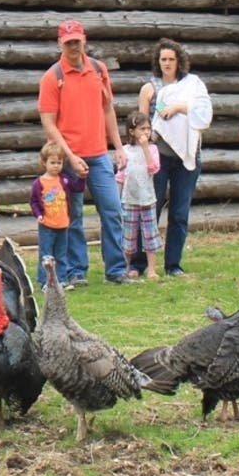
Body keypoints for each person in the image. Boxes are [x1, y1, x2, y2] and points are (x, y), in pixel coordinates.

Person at [37, 20, 129, 286]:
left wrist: (119, 146)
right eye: (68, 43)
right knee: (73, 216)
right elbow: (48, 123)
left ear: (84, 40)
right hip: (67, 158)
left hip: (99, 154)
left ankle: (116, 270)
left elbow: (108, 109)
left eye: (76, 41)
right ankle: (78, 271)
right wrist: (71, 156)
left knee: (112, 209)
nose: (73, 46)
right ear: (60, 44)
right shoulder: (52, 77)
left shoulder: (98, 70)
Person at [131, 39, 212, 277]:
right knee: (149, 209)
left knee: (179, 212)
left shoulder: (192, 86)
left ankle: (173, 264)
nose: (166, 63)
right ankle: (140, 262)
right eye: (163, 59)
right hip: (159, 156)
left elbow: (203, 113)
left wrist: (179, 107)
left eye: (171, 59)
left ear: (179, 62)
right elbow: (141, 124)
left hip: (186, 156)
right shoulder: (150, 88)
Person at [29, 141, 85, 291]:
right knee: (46, 254)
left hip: (63, 224)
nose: (56, 166)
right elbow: (34, 201)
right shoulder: (39, 183)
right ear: (44, 162)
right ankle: (45, 282)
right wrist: (38, 214)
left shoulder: (64, 180)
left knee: (61, 254)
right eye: (52, 162)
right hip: (47, 224)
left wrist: (81, 177)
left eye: (59, 163)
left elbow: (78, 188)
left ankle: (61, 280)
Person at [117, 111, 162, 279]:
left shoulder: (153, 149)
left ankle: (151, 269)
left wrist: (145, 148)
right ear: (131, 131)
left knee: (150, 234)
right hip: (129, 200)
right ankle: (126, 267)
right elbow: (120, 176)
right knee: (128, 235)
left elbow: (154, 168)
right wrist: (117, 198)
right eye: (142, 129)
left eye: (148, 129)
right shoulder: (125, 151)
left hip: (147, 199)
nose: (146, 132)